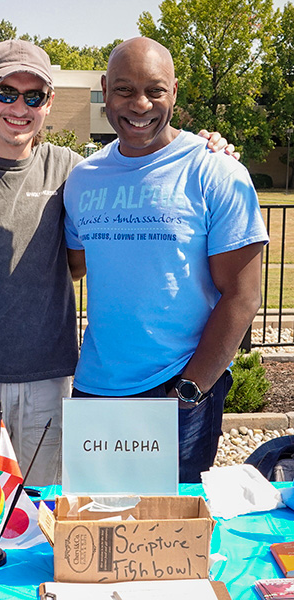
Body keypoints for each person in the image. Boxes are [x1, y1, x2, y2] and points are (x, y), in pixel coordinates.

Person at [0, 39, 235, 485]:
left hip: (52, 380)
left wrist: (212, 145)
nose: (19, 106)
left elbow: (76, 263)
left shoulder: (74, 171)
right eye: (5, 92)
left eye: (33, 96)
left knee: (44, 519)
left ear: (49, 102)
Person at [63, 37, 269, 483]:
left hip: (179, 387)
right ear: (104, 90)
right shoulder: (82, 179)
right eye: (124, 89)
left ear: (174, 91)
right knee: (94, 531)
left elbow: (243, 296)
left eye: (155, 90)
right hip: (96, 388)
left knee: (170, 540)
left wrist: (191, 389)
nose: (140, 104)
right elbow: (74, 265)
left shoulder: (216, 171)